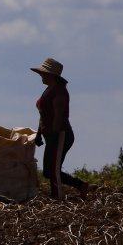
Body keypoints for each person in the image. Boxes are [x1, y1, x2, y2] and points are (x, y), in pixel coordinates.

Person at [31, 58, 91, 200]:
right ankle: (80, 185)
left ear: (51, 75)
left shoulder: (59, 92)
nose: (41, 75)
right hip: (50, 134)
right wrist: (39, 133)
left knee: (53, 170)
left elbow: (58, 116)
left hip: (60, 134)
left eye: (43, 73)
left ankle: (57, 199)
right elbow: (43, 115)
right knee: (48, 171)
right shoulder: (48, 90)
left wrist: (53, 134)